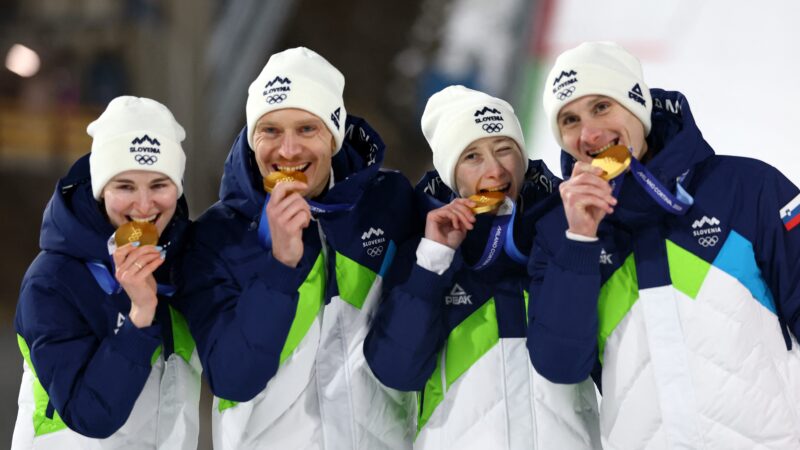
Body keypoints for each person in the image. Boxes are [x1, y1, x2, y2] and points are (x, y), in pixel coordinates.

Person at [528, 41, 800, 449]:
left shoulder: (747, 186)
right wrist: (580, 241)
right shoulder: (556, 234)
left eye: (602, 106)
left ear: (637, 104)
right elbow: (561, 365)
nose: (589, 133)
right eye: (569, 119)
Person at [174, 47, 418, 449]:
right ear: (253, 138)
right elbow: (233, 378)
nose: (288, 151)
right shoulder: (215, 239)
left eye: (307, 129)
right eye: (270, 131)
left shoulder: (389, 203)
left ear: (335, 136)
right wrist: (280, 268)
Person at [364, 85, 601, 449]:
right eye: (472, 156)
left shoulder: (564, 229)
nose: (495, 170)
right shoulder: (421, 250)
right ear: (450, 174)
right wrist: (433, 261)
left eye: (504, 149)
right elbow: (397, 371)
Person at [12, 96, 200, 449]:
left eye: (159, 185)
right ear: (101, 189)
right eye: (125, 186)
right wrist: (140, 316)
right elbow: (90, 415)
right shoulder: (52, 280)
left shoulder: (185, 262)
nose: (144, 206)